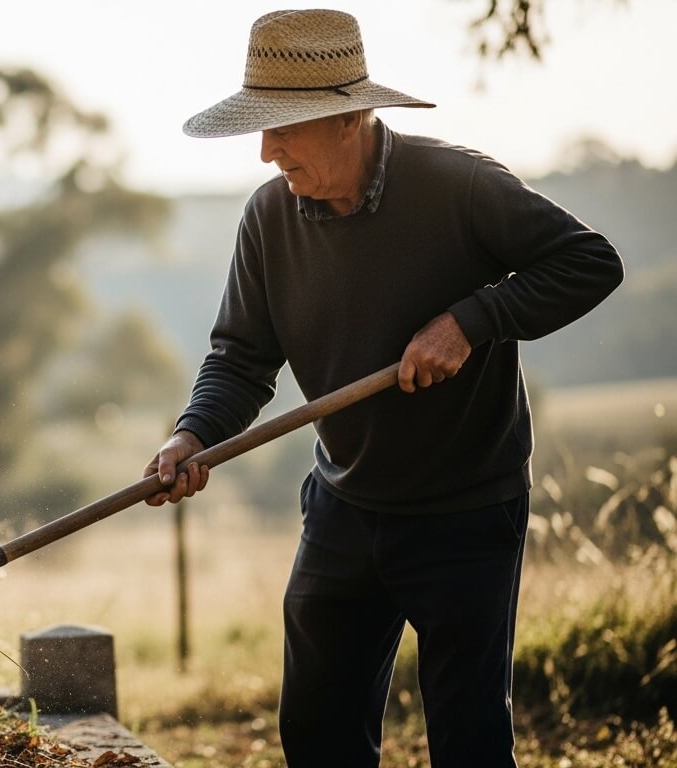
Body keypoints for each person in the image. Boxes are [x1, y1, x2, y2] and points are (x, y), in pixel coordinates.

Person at [142, 9, 623, 767]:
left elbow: (590, 262)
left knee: (467, 738)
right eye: (260, 130)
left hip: (467, 509)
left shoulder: (461, 186)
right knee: (316, 728)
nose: (266, 153)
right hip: (345, 505)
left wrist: (472, 320)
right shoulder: (268, 219)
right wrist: (193, 434)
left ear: (349, 117)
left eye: (283, 128)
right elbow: (240, 357)